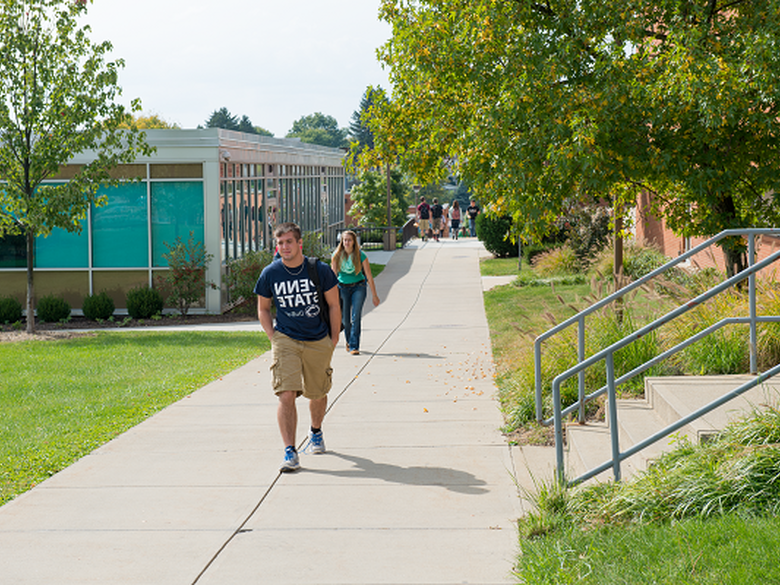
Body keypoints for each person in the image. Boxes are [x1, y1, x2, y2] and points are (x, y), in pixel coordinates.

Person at [254, 222, 341, 472]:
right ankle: (290, 451)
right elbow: (263, 308)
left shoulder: (320, 270)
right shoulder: (270, 273)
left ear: (299, 243)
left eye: (289, 242)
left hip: (318, 339)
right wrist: (273, 336)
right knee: (286, 393)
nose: (284, 247)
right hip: (285, 339)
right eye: (280, 243)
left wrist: (333, 340)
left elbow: (334, 305)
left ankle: (315, 431)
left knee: (317, 393)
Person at [331, 230, 380, 356]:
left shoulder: (361, 255)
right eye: (345, 240)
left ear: (354, 242)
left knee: (356, 316)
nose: (347, 242)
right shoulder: (336, 255)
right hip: (342, 288)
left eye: (349, 240)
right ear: (342, 241)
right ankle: (349, 341)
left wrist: (374, 295)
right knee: (345, 320)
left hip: (359, 287)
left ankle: (354, 345)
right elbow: (333, 276)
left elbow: (369, 275)